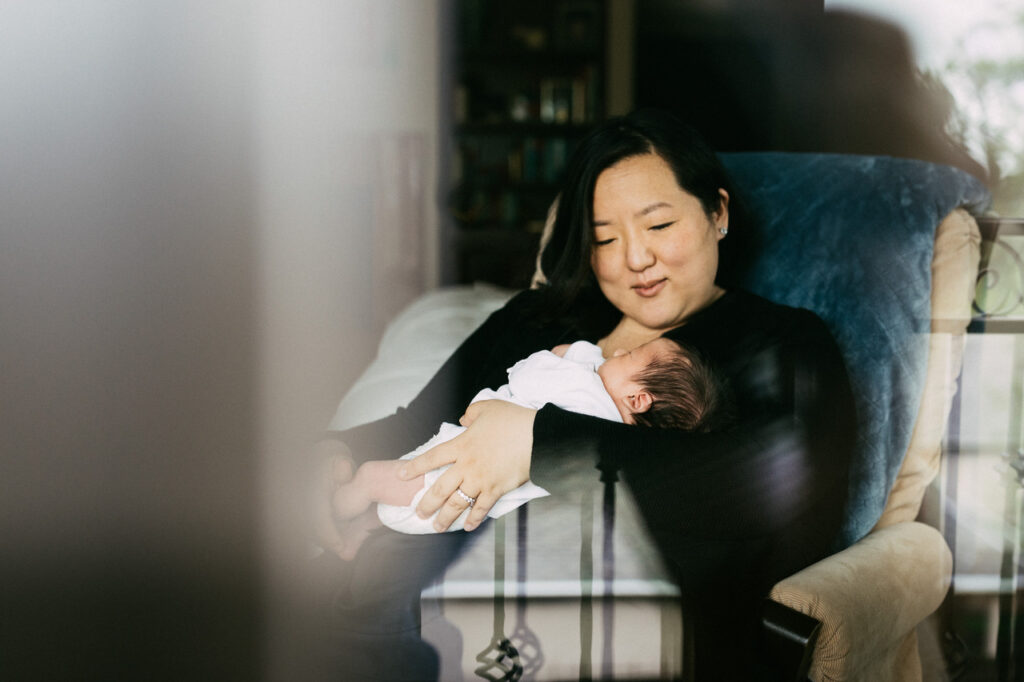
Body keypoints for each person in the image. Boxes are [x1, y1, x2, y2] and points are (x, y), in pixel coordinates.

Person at [311, 108, 855, 680]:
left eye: (659, 226)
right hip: (395, 604)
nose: (635, 259)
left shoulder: (782, 341)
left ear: (717, 213)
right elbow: (415, 421)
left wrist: (535, 440)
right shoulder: (538, 322)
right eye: (605, 238)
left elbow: (772, 485)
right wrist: (331, 456)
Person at [326, 336, 728, 556]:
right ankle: (365, 524)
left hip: (449, 473)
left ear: (638, 400)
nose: (619, 351)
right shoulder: (606, 428)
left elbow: (528, 375)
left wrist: (569, 353)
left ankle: (352, 494)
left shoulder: (587, 393)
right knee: (401, 511)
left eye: (633, 356)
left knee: (389, 480)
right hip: (472, 512)